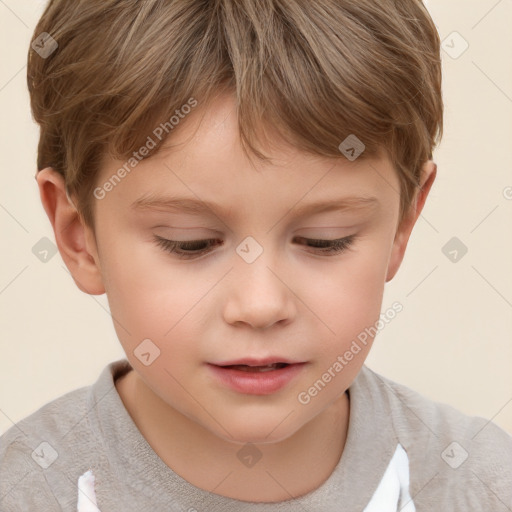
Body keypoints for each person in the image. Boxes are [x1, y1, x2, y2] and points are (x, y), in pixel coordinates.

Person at [1, 0, 511, 510]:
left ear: (403, 225)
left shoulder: (482, 485)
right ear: (77, 236)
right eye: (190, 243)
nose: (261, 305)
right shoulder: (23, 490)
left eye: (325, 239)